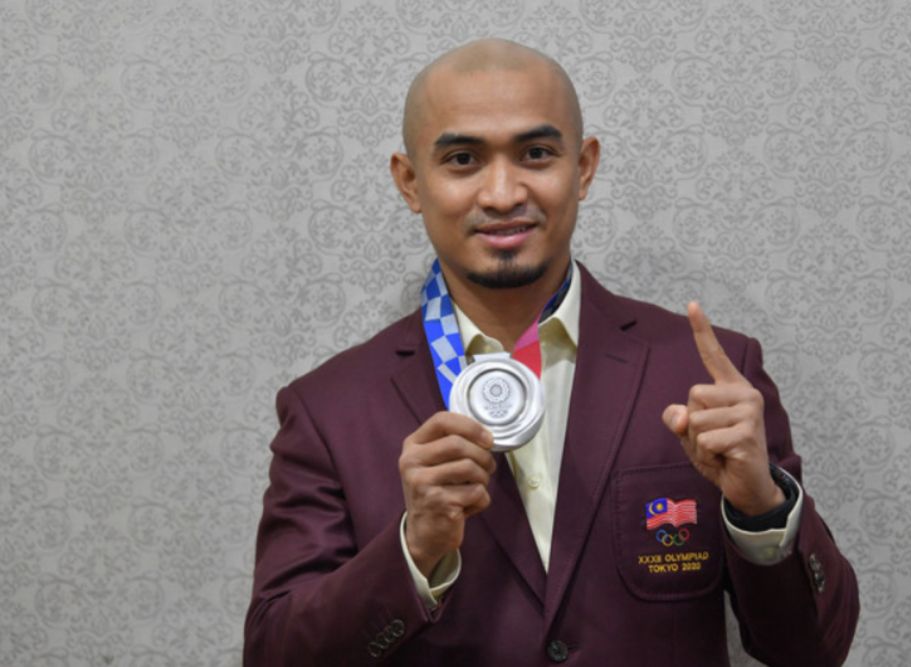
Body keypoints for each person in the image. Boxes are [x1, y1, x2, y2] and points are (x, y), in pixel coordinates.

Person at [244, 38, 859, 666]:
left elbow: (815, 649)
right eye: (462, 159)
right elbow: (275, 655)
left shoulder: (705, 377)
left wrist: (762, 507)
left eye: (536, 153)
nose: (504, 193)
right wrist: (413, 549)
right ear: (410, 182)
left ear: (584, 167)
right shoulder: (328, 411)